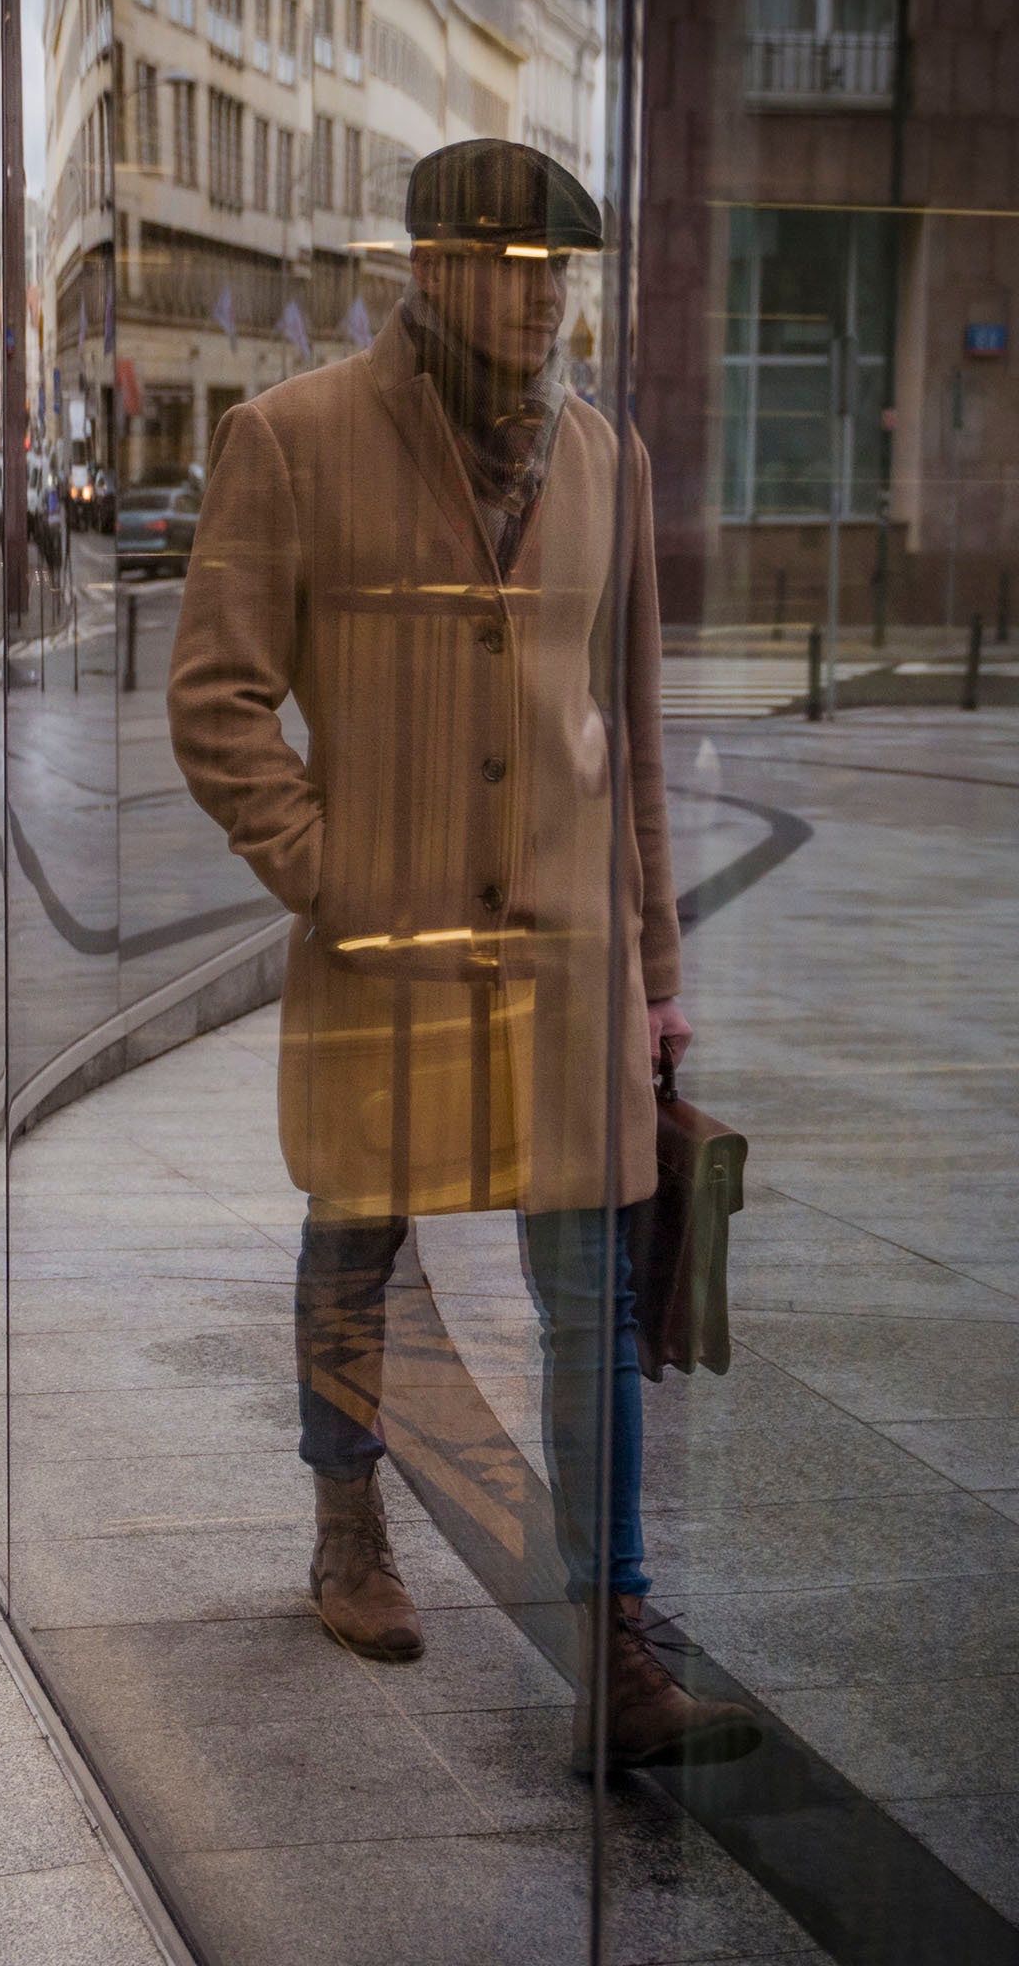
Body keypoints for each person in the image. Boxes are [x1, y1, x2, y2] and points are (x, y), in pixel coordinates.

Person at [167, 139, 759, 1775]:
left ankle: (619, 1641)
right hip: (387, 954)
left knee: (591, 1302)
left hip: (567, 968)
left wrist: (652, 965)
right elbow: (216, 703)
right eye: (502, 262)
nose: (534, 291)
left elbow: (626, 735)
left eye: (555, 267)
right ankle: (348, 1522)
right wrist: (332, 875)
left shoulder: (604, 457)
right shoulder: (289, 441)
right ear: (424, 267)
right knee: (356, 1242)